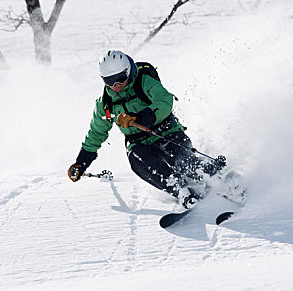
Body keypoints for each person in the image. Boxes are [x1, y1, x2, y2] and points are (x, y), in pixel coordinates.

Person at [68, 50, 225, 208]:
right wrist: (81, 163)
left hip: (167, 133)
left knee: (182, 161)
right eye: (109, 81)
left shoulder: (144, 82)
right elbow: (96, 134)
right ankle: (181, 189)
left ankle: (216, 176)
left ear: (128, 72)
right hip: (139, 143)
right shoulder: (105, 105)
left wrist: (138, 117)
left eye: (120, 79)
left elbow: (165, 100)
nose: (116, 86)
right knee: (137, 160)